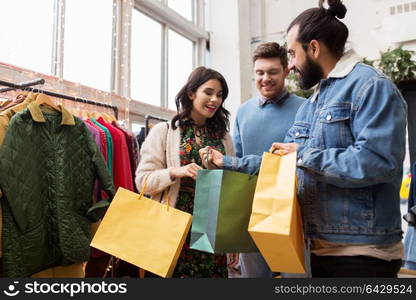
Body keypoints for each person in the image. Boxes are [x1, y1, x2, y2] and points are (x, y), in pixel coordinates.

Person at [268, 0, 407, 277]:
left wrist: (304, 155)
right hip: (323, 248)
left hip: (363, 254)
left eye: (293, 54)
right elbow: (287, 154)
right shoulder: (315, 101)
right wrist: (228, 163)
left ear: (314, 48)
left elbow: (377, 161)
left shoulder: (371, 86)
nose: (291, 65)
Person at [200, 43, 304, 277]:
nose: (265, 78)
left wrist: (227, 162)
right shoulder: (244, 112)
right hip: (252, 211)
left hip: (293, 212)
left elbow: (284, 162)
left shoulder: (305, 109)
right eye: (260, 72)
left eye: (272, 72)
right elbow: (238, 161)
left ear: (286, 71)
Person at [135, 66, 237, 278]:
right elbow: (142, 181)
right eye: (208, 92)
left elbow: (230, 190)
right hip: (173, 224)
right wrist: (175, 171)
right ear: (191, 93)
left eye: (219, 95)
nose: (215, 100)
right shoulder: (164, 132)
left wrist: (231, 236)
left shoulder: (223, 137)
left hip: (210, 228)